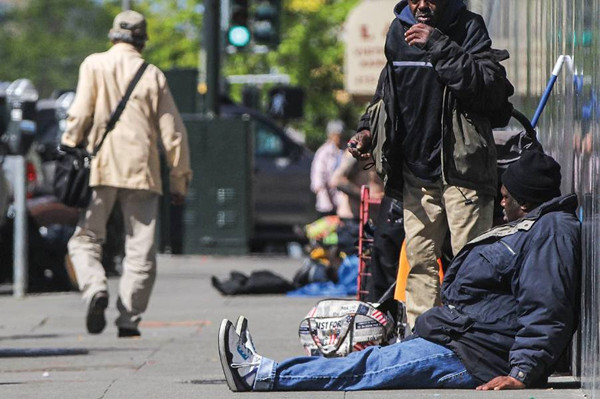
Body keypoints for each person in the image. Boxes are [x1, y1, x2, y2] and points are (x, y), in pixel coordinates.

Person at [218, 151, 581, 391]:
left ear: (527, 198)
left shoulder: (550, 232)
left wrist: (521, 374)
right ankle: (267, 373)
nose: (501, 200)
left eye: (507, 195)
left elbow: (547, 307)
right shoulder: (535, 227)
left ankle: (263, 376)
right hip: (464, 339)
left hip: (477, 354)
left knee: (369, 367)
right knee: (368, 358)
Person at [348, 0, 514, 326]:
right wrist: (366, 130)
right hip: (415, 171)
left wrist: (439, 44)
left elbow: (489, 91)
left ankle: (473, 334)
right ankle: (422, 338)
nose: (422, 5)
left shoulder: (468, 27)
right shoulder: (397, 33)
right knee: (420, 260)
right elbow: (386, 93)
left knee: (470, 261)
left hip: (461, 170)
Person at [61, 10, 192, 338]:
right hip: (141, 171)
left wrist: (69, 144)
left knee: (86, 238)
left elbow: (79, 115)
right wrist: (179, 179)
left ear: (112, 36)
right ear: (142, 40)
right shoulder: (152, 75)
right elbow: (173, 132)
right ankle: (128, 319)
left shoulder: (93, 64)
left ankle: (94, 288)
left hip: (101, 167)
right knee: (140, 247)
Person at [310, 120, 345, 216]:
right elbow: (318, 173)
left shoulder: (345, 151)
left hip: (341, 198)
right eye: (336, 135)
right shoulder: (324, 152)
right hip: (327, 197)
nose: (339, 138)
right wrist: (321, 190)